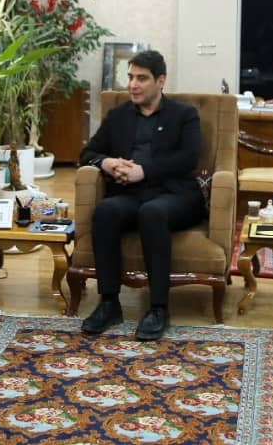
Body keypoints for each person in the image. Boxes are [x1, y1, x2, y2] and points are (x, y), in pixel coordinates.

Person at [78, 49, 205, 341]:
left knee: (152, 213)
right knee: (106, 211)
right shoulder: (119, 115)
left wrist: (144, 171)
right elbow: (87, 153)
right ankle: (109, 302)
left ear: (160, 81)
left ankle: (158, 308)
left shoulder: (184, 115)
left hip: (176, 194)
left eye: (142, 78)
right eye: (130, 77)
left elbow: (188, 159)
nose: (133, 85)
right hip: (131, 193)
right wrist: (106, 163)